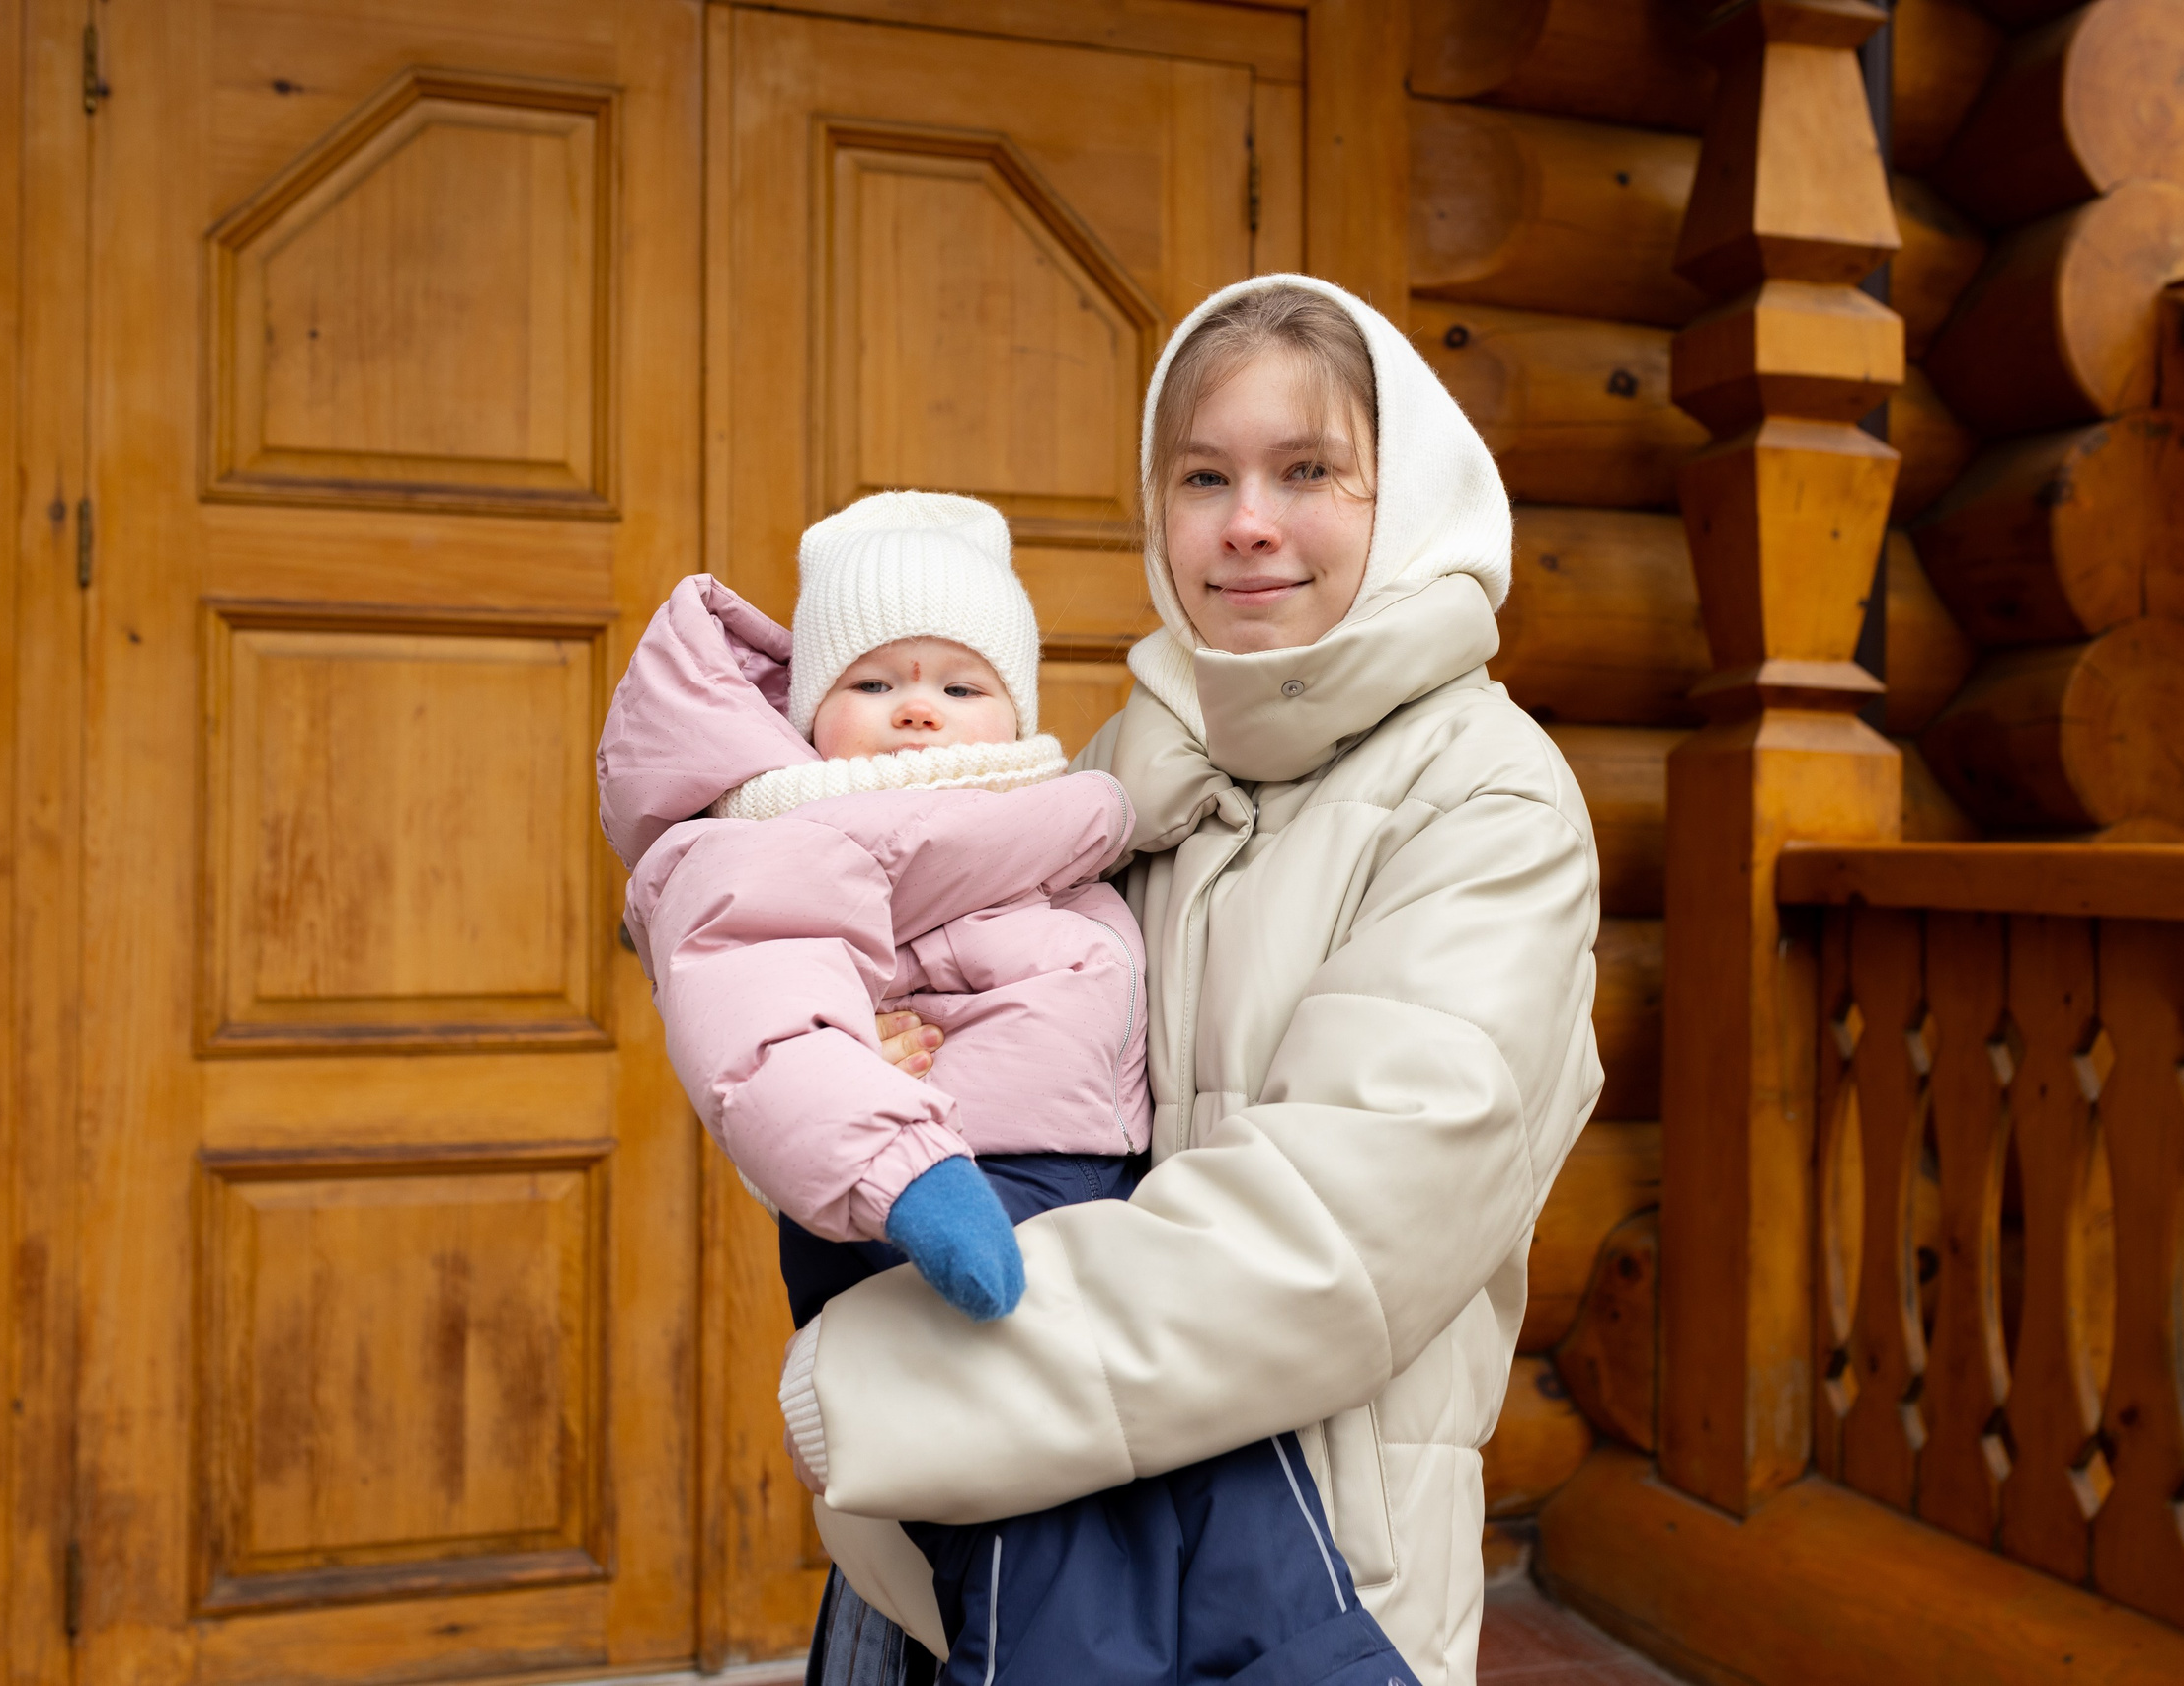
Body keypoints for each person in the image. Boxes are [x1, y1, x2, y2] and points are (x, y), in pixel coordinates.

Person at [788, 278, 1605, 1686]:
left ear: (1401, 493)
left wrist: (880, 1377)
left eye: (1308, 471)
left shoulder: (1484, 800)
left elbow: (1333, 1240)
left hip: (1303, 1583)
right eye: (1204, 473)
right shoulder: (1104, 770)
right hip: (977, 1547)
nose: (1246, 519)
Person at [597, 491, 1419, 1686]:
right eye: (876, 683)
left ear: (1017, 709)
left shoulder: (1051, 834)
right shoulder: (789, 832)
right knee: (1044, 1521)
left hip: (1089, 1211)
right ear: (809, 715)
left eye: (960, 682)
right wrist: (907, 1169)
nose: (919, 706)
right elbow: (763, 1015)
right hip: (939, 1208)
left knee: (1225, 1452)